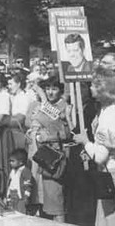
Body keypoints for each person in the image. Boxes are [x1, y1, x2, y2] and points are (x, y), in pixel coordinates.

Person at [73, 68, 115, 226]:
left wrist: (85, 142)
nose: (90, 88)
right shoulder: (114, 111)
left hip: (112, 173)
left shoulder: (111, 115)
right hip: (114, 173)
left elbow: (100, 156)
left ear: (103, 88)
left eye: (93, 85)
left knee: (112, 221)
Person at [25, 76, 72, 222]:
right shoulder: (38, 104)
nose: (50, 92)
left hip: (53, 158)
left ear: (61, 91)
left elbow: (61, 127)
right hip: (37, 156)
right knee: (39, 200)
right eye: (48, 89)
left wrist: (46, 137)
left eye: (54, 89)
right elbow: (29, 121)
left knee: (55, 202)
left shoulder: (63, 106)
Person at [6, 148, 35, 214]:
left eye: (13, 161)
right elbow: (9, 184)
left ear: (21, 162)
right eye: (10, 161)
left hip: (20, 198)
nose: (10, 163)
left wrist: (26, 197)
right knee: (12, 214)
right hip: (12, 196)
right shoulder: (12, 171)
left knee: (20, 215)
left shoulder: (25, 171)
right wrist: (7, 196)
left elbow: (28, 185)